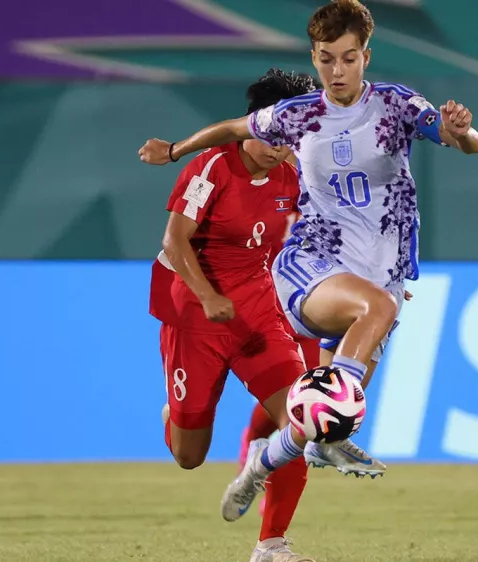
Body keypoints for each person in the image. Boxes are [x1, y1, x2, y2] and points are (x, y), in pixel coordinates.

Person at [139, 0, 478, 521]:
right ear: (314, 56)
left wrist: (462, 133)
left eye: (347, 58)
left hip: (378, 277)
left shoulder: (397, 106)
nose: (336, 71)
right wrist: (175, 150)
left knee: (328, 421)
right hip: (313, 265)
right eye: (326, 59)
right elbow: (233, 129)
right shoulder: (298, 116)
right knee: (369, 321)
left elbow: (469, 143)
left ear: (366, 56)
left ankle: (261, 465)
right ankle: (253, 460)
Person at [149, 68, 349, 562]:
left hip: (258, 307)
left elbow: (326, 232)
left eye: (290, 138)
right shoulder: (211, 166)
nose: (280, 147)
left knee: (306, 419)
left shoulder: (296, 172)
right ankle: (176, 417)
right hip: (195, 311)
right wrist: (207, 294)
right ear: (253, 122)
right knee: (189, 456)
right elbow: (175, 239)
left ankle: (271, 545)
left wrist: (369, 281)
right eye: (272, 135)